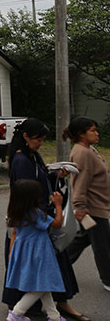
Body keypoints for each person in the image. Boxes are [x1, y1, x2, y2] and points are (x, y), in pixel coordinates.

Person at [3, 119, 88, 321]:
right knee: (45, 274)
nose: (41, 143)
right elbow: (28, 191)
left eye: (43, 139)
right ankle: (19, 312)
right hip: (39, 226)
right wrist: (54, 206)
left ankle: (53, 312)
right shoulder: (22, 161)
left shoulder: (31, 155)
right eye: (38, 139)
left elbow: (37, 183)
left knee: (42, 274)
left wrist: (56, 175)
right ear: (25, 136)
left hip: (36, 223)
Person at [5, 179, 66, 321]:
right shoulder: (35, 213)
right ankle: (16, 313)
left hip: (21, 250)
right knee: (41, 285)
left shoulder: (16, 211)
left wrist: (11, 253)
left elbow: (14, 233)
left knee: (44, 282)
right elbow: (57, 224)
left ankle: (54, 316)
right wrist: (58, 205)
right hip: (39, 252)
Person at [64, 117, 110, 293]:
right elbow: (80, 183)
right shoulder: (82, 153)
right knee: (103, 245)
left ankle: (58, 265)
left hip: (95, 206)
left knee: (83, 239)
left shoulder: (88, 149)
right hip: (92, 208)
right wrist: (80, 207)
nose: (97, 133)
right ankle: (108, 279)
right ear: (81, 134)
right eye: (92, 130)